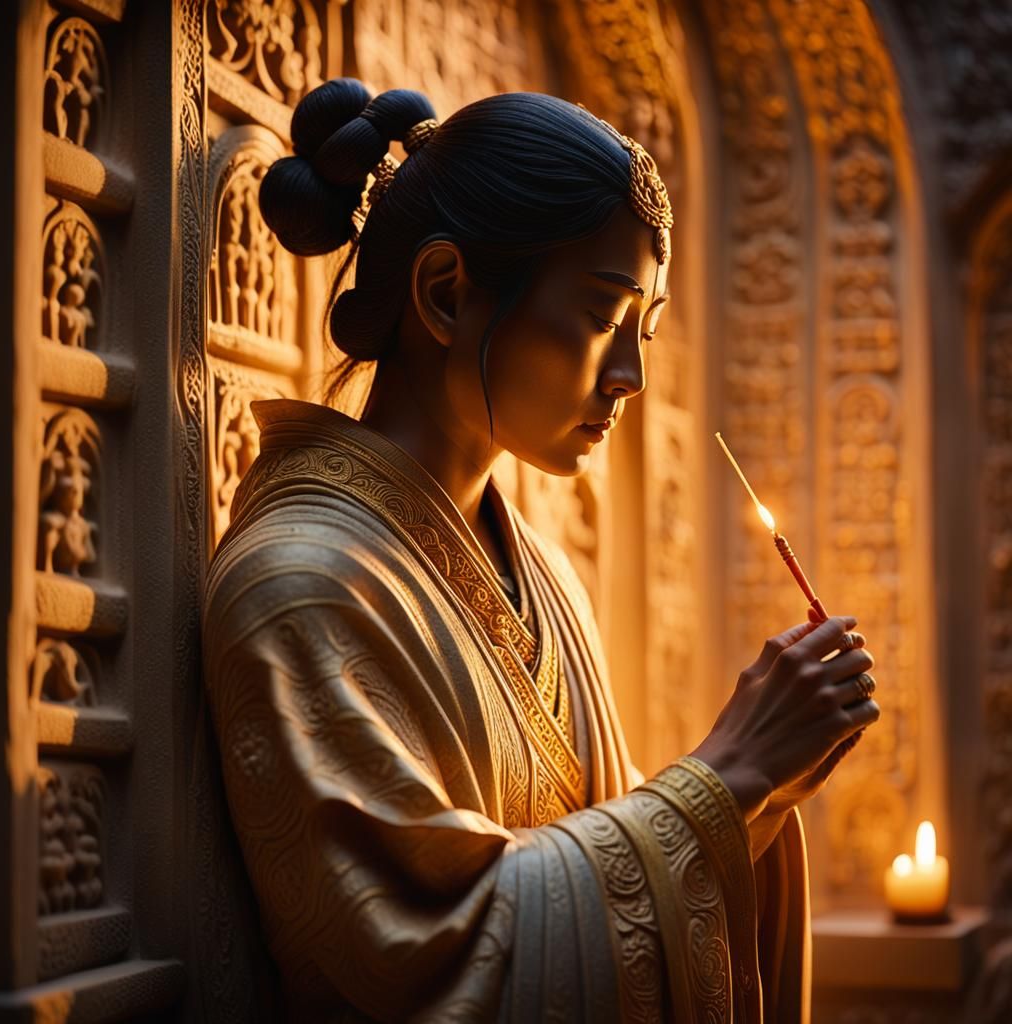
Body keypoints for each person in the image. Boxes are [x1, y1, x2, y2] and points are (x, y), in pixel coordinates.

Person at [202, 77, 880, 1023]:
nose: (631, 376)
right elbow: (434, 968)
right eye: (606, 318)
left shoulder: (546, 571)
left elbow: (615, 890)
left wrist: (760, 797)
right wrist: (727, 772)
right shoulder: (298, 589)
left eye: (644, 329)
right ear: (446, 294)